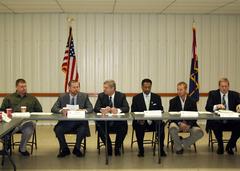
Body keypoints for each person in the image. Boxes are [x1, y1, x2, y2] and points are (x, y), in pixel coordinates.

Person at [1, 78, 42, 156]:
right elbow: (2, 111)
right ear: (16, 87)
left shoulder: (32, 98)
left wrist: (32, 118)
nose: (24, 88)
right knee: (4, 131)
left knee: (29, 129)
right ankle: (6, 148)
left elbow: (39, 111)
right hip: (12, 122)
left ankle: (22, 148)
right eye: (22, 86)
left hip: (26, 122)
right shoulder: (9, 98)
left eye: (25, 86)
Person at [52, 80, 93, 158]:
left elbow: (90, 108)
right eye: (74, 87)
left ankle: (77, 149)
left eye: (77, 87)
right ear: (69, 88)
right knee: (57, 129)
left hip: (79, 123)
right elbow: (54, 108)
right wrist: (62, 110)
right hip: (66, 123)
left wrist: (83, 110)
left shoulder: (84, 96)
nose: (76, 89)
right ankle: (64, 149)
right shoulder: (62, 96)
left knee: (82, 129)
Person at [131, 78, 166, 157]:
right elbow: (133, 111)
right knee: (139, 126)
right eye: (145, 87)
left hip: (154, 122)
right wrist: (140, 118)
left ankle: (161, 149)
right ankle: (141, 149)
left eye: (149, 87)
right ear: (142, 87)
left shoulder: (157, 97)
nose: (147, 89)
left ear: (151, 87)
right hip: (141, 122)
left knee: (161, 125)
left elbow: (161, 109)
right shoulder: (136, 98)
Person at [94, 80, 129, 156]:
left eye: (106, 88)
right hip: (105, 123)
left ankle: (117, 147)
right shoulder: (101, 96)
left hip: (118, 123)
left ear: (112, 88)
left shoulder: (121, 96)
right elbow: (96, 108)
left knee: (124, 127)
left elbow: (126, 108)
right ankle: (109, 147)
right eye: (104, 87)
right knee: (100, 127)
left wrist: (118, 110)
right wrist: (102, 110)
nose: (104, 89)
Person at [205, 78, 240, 155]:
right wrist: (217, 106)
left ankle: (230, 145)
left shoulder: (235, 94)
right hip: (218, 121)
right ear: (219, 86)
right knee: (214, 122)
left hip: (231, 121)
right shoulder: (213, 94)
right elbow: (207, 107)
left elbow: (238, 104)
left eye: (226, 86)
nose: (224, 88)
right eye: (222, 86)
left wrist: (238, 107)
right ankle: (220, 145)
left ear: (228, 86)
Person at [169, 82, 203, 154]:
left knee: (200, 132)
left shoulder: (192, 101)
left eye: (181, 89)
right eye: (178, 89)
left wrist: (189, 125)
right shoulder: (172, 101)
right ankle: (178, 148)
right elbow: (171, 116)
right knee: (172, 128)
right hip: (176, 123)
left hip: (189, 124)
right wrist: (179, 123)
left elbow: (195, 116)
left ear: (185, 90)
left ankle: (181, 143)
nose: (179, 91)